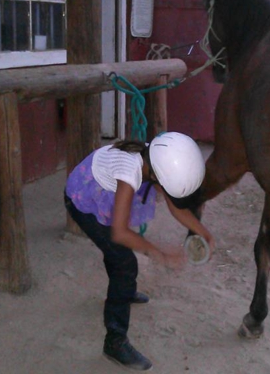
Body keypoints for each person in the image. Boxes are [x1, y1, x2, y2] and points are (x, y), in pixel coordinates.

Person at [64, 132, 214, 371]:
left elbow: (176, 208)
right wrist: (160, 253)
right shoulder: (130, 172)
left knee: (117, 255)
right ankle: (115, 341)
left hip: (102, 189)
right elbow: (120, 233)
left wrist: (203, 232)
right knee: (125, 263)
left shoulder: (155, 157)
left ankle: (122, 292)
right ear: (155, 175)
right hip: (83, 200)